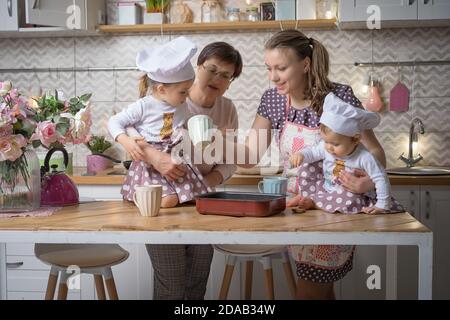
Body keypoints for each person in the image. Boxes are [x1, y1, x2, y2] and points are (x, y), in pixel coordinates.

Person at [235, 29, 389, 300]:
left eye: (281, 68)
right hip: (295, 208)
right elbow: (249, 156)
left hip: (332, 208)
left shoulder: (339, 97)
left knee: (310, 292)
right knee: (319, 290)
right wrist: (211, 144)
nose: (273, 76)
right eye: (269, 68)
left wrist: (367, 181)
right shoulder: (272, 100)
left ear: (305, 64)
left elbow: (375, 151)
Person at [121, 41, 243, 300]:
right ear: (198, 67)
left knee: (197, 281)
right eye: (212, 69)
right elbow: (129, 133)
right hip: (165, 201)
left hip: (200, 203)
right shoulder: (169, 99)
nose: (217, 78)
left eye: (226, 75)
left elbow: (230, 159)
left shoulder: (227, 109)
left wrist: (207, 182)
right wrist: (155, 158)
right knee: (171, 285)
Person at [108, 36, 212, 209]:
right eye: (183, 92)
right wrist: (125, 141)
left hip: (176, 157)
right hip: (150, 165)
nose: (187, 96)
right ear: (161, 89)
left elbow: (182, 127)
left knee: (198, 198)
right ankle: (139, 195)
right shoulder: (144, 105)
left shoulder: (180, 104)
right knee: (167, 201)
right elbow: (114, 121)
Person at [290, 92, 391, 214]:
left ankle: (316, 203)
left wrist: (382, 204)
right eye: (326, 141)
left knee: (350, 198)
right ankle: (316, 197)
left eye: (335, 144)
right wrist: (301, 155)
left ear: (355, 139)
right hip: (327, 189)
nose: (329, 148)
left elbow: (380, 177)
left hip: (352, 194)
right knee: (307, 166)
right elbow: (312, 152)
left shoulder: (364, 157)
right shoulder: (326, 147)